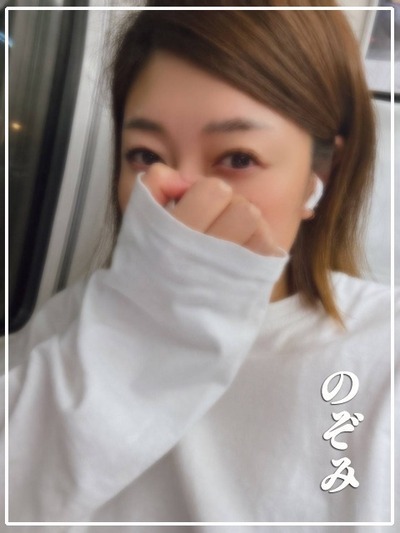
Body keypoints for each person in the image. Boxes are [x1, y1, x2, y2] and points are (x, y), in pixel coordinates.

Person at [2, 0, 398, 530]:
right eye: (145, 155)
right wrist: (148, 331)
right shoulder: (73, 322)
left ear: (321, 174)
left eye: (238, 158)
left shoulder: (382, 356)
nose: (177, 192)